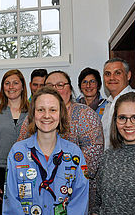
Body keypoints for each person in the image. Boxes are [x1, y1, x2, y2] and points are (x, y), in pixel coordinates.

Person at [17, 70, 103, 212]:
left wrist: (56, 179)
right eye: (50, 85)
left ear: (70, 88)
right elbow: (22, 152)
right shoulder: (33, 117)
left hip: (73, 195)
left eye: (60, 85)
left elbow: (91, 162)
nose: (55, 89)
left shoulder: (86, 115)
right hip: (35, 191)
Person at [3, 87, 89, 214]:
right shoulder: (17, 152)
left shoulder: (74, 154)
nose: (47, 116)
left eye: (53, 110)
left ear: (61, 114)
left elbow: (79, 202)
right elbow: (11, 201)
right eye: (41, 110)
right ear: (33, 114)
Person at [0, 69, 29, 214]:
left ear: (23, 86)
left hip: (27, 171)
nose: (11, 87)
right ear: (2, 87)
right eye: (7, 83)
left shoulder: (33, 112)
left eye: (15, 83)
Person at [102, 58, 135, 149]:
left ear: (128, 75)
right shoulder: (108, 105)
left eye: (117, 73)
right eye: (107, 74)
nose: (112, 78)